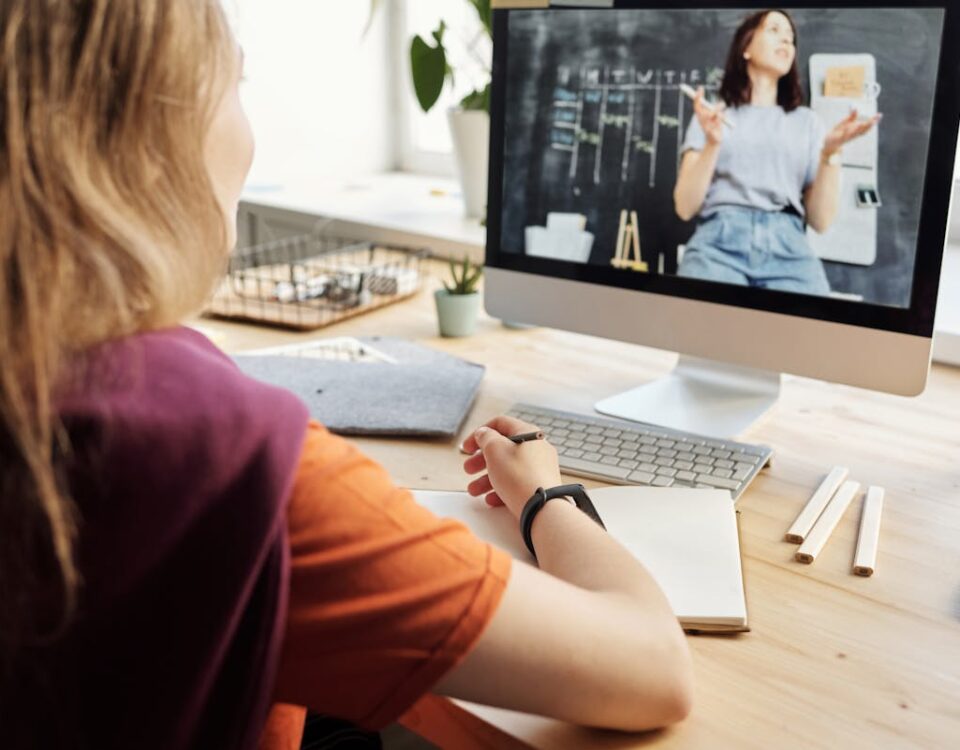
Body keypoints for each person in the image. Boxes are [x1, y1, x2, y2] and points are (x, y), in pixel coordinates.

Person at [0, 2, 693, 748]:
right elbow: (653, 670)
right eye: (237, 83)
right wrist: (544, 494)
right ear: (150, 133)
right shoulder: (229, 461)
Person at [673, 9, 880, 294]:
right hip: (718, 243)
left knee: (814, 331)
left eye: (790, 37)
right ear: (746, 46)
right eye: (774, 30)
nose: (785, 40)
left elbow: (820, 221)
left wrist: (830, 153)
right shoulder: (712, 115)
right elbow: (685, 207)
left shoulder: (807, 122)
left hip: (789, 247)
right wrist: (712, 142)